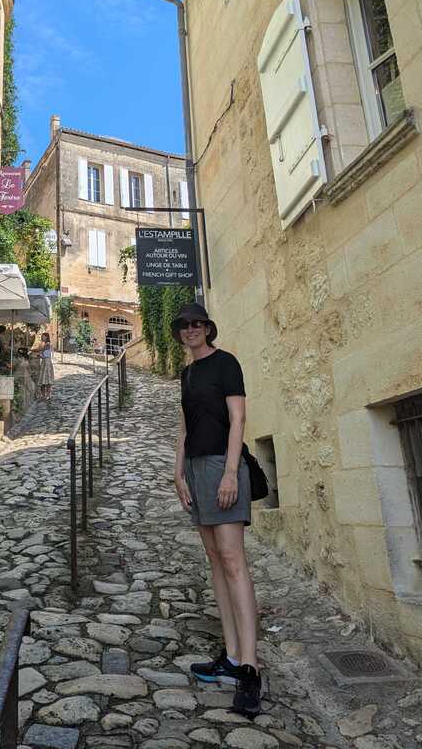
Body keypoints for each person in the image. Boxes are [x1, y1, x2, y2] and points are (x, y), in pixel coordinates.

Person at [172, 302, 262, 719]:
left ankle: (250, 668)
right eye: (184, 326)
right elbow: (185, 426)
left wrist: (229, 473)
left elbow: (238, 420)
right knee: (214, 560)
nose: (191, 330)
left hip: (222, 467)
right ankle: (229, 656)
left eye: (197, 324)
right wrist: (178, 473)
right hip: (195, 469)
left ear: (208, 328)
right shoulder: (188, 373)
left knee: (233, 560)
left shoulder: (227, 363)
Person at [38, 332, 54, 400]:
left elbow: (45, 355)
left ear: (46, 337)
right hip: (45, 362)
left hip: (46, 363)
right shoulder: (45, 344)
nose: (42, 337)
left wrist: (40, 355)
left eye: (43, 336)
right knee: (45, 379)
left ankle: (47, 394)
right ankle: (45, 394)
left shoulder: (47, 345)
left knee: (47, 379)